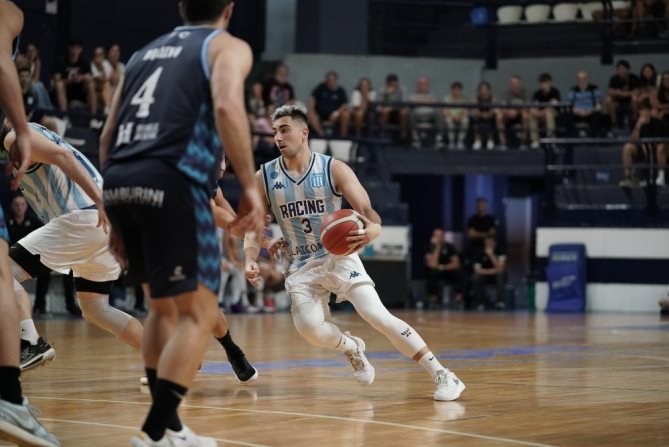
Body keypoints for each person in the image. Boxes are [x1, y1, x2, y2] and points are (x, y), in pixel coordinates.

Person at [99, 0, 265, 445]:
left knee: (162, 309)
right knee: (200, 312)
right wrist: (249, 187)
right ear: (229, 10)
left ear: (181, 8)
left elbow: (107, 134)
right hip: (172, 179)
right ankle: (155, 432)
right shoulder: (226, 46)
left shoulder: (142, 54)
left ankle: (169, 429)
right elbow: (227, 107)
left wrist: (113, 209)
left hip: (119, 179)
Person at [244, 104, 465, 402]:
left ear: (304, 133)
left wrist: (374, 229)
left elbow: (367, 211)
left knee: (377, 315)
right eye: (275, 132)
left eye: (285, 130)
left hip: (337, 255)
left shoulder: (333, 168)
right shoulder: (265, 177)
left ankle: (443, 373)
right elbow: (252, 226)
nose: (278, 138)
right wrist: (250, 258)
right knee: (310, 331)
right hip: (299, 264)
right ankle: (351, 347)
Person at [0, 121, 144, 371]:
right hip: (101, 222)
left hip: (84, 217)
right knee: (96, 308)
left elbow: (62, 155)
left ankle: (30, 342)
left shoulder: (14, 137)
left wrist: (99, 201)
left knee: (4, 271)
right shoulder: (35, 132)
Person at [0, 1, 60, 445]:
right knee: (2, 275)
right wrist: (22, 128)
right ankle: (8, 397)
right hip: (82, 221)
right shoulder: (7, 11)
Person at [7, 195, 79, 317]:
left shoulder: (35, 221)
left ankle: (40, 307)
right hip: (11, 260)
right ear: (11, 206)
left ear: (26, 206)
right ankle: (10, 308)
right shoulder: (6, 222)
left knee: (56, 271)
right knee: (8, 274)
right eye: (16, 205)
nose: (19, 208)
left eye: (22, 204)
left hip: (32, 259)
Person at [619, 99, 667, 187]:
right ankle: (629, 177)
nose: (645, 113)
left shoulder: (657, 123)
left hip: (655, 150)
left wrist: (648, 146)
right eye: (642, 111)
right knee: (627, 148)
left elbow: (660, 141)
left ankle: (661, 175)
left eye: (647, 110)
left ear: (650, 111)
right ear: (639, 112)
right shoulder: (635, 122)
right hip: (642, 149)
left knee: (661, 147)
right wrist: (638, 126)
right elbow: (632, 140)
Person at [424, 228, 463, 309]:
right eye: (436, 235)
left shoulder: (450, 247)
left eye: (439, 235)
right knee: (432, 273)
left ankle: (458, 299)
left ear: (443, 236)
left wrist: (443, 267)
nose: (438, 237)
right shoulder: (429, 247)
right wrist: (437, 247)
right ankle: (433, 299)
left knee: (459, 272)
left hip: (448, 270)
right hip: (436, 271)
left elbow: (456, 264)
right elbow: (433, 264)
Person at [307, 71, 350, 137]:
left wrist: (336, 113)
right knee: (310, 114)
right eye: (328, 79)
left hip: (335, 115)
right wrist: (312, 109)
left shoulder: (341, 91)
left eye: (332, 80)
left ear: (336, 80)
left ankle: (343, 136)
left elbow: (344, 105)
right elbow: (312, 99)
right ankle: (322, 135)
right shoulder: (321, 87)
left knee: (346, 114)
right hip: (320, 114)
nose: (330, 81)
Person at [471, 236, 507, 310]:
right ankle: (480, 303)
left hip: (496, 276)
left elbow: (500, 268)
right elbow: (477, 270)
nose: (489, 244)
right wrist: (491, 271)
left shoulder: (500, 252)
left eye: (491, 242)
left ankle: (500, 302)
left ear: (495, 243)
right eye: (487, 243)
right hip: (485, 276)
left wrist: (491, 255)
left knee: (500, 274)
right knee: (475, 277)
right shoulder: (479, 253)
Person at [529, 73, 561, 149]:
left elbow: (551, 107)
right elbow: (534, 106)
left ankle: (551, 139)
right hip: (540, 115)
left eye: (545, 82)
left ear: (549, 82)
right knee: (531, 116)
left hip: (553, 114)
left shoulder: (555, 92)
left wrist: (541, 112)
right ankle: (535, 141)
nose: (543, 85)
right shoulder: (537, 93)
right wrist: (537, 112)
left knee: (549, 114)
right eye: (542, 83)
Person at [607, 60, 640, 130]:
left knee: (635, 98)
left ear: (628, 69)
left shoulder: (634, 78)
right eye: (619, 69)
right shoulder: (614, 78)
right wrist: (617, 92)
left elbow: (637, 91)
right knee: (608, 99)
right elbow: (609, 91)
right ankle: (614, 122)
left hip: (630, 101)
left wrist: (626, 94)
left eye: (623, 69)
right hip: (618, 101)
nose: (621, 71)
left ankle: (634, 120)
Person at [442, 81, 469, 150]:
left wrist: (459, 117)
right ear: (452, 90)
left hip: (460, 118)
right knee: (448, 120)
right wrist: (453, 117)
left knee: (465, 120)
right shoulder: (446, 98)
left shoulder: (464, 99)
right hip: (450, 117)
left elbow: (466, 112)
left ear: (461, 91)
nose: (456, 91)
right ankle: (451, 142)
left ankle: (460, 141)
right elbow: (444, 112)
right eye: (455, 89)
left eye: (458, 90)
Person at [472, 81, 497, 150]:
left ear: (488, 90)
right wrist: (482, 115)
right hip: (479, 116)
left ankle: (490, 140)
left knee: (494, 118)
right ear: (479, 90)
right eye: (482, 88)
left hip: (490, 116)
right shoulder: (475, 98)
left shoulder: (493, 98)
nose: (484, 90)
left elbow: (493, 110)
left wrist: (488, 115)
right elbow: (475, 110)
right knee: (474, 118)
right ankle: (477, 140)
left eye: (485, 88)